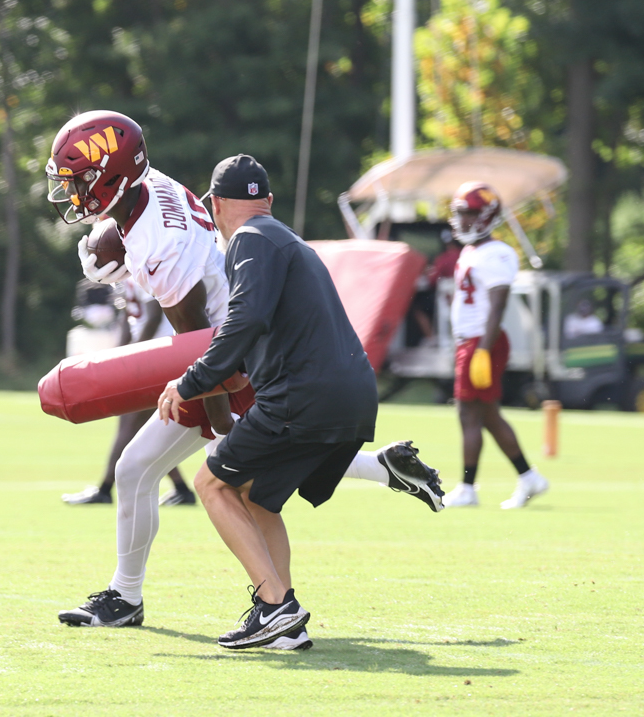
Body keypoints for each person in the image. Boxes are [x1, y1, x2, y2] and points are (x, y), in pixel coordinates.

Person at [157, 155, 445, 650]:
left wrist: (190, 382)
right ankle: (286, 626)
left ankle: (273, 607)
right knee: (257, 497)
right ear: (267, 201)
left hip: (304, 396)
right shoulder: (286, 238)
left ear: (216, 205)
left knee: (212, 484)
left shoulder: (248, 240)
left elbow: (243, 321)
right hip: (353, 395)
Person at [45, 110, 249, 632]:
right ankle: (125, 597)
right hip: (232, 341)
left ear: (111, 174)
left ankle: (274, 603)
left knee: (251, 475)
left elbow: (200, 349)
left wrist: (223, 433)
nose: (73, 194)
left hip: (236, 360)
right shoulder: (146, 184)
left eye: (80, 182)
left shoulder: (160, 249)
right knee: (134, 470)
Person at [440, 183, 548, 509]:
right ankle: (529, 478)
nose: (463, 220)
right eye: (460, 213)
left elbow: (498, 304)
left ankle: (468, 488)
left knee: (469, 414)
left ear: (487, 216)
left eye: (470, 213)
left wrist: (484, 349)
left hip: (480, 342)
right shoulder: (470, 252)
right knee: (486, 416)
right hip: (472, 342)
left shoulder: (496, 253)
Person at [62, 277, 195, 506]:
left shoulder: (144, 268)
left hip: (155, 355)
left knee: (130, 423)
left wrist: (135, 354)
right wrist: (118, 356)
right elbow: (128, 318)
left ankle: (104, 488)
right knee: (142, 427)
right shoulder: (130, 272)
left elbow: (154, 314)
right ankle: (181, 489)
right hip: (149, 354)